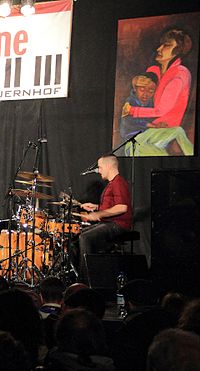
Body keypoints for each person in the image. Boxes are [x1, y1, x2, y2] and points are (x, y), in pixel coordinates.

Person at [121, 28, 194, 156]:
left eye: (166, 46)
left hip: (162, 131)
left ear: (177, 52)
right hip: (146, 133)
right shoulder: (155, 70)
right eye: (161, 44)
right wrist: (137, 81)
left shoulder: (180, 75)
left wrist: (132, 111)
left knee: (177, 133)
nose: (159, 49)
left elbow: (161, 110)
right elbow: (142, 84)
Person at [78, 154, 132, 283]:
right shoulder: (112, 184)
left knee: (84, 238)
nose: (99, 170)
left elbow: (122, 208)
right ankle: (83, 274)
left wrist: (99, 214)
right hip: (109, 223)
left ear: (109, 166)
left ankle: (87, 280)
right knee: (78, 235)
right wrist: (96, 207)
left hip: (118, 225)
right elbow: (112, 205)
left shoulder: (118, 182)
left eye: (100, 167)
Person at [119, 73, 158, 140]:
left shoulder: (151, 103)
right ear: (135, 89)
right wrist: (148, 124)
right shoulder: (130, 102)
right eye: (142, 90)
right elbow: (128, 120)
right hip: (131, 135)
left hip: (146, 134)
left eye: (151, 91)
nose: (145, 94)